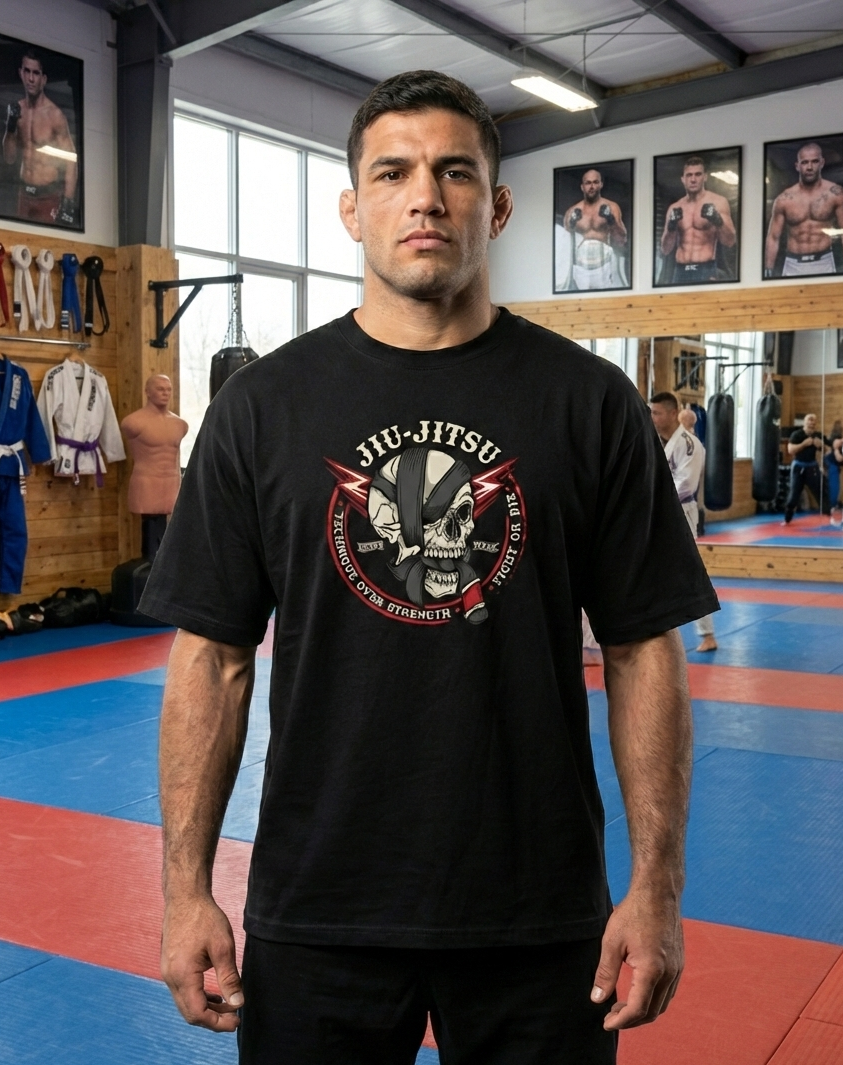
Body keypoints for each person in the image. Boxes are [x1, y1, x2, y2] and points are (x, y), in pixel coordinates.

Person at [141, 70, 718, 1065]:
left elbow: (641, 651)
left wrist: (657, 889)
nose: (425, 197)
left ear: (497, 206)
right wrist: (183, 890)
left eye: (455, 172)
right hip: (319, 902)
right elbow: (212, 659)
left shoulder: (589, 405)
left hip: (538, 909)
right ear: (351, 209)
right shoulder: (262, 411)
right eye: (393, 172)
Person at [649, 393, 717, 652]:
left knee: (689, 572)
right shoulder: (654, 441)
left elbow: (686, 484)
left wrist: (655, 501)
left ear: (673, 413)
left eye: (657, 413)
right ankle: (654, 630)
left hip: (680, 512)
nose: (653, 418)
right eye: (651, 412)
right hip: (657, 510)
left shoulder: (689, 444)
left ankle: (707, 634)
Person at [2, 48, 78, 227]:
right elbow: (9, 158)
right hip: (24, 194)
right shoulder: (17, 111)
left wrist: (68, 202)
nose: (31, 78)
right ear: (21, 73)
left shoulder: (55, 115)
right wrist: (10, 127)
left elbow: (71, 160)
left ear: (43, 79)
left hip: (48, 196)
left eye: (36, 73)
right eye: (27, 71)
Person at [120, 374, 188, 559]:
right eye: (160, 389)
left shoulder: (180, 424)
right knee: (150, 537)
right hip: (147, 484)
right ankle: (149, 566)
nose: (165, 393)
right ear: (148, 392)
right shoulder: (133, 423)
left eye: (168, 389)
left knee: (167, 539)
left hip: (171, 483)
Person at [765, 143, 843, 278]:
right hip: (793, 264)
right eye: (804, 162)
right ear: (797, 166)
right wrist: (768, 268)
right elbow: (773, 237)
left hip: (824, 262)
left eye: (814, 161)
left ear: (822, 163)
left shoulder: (835, 193)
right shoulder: (784, 199)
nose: (809, 167)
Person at [660, 156, 736, 284]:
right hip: (680, 271)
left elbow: (730, 241)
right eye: (689, 175)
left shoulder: (719, 202)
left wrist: (717, 220)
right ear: (683, 179)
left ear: (705, 177)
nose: (693, 179)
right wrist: (671, 227)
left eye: (698, 174)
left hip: (705, 269)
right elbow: (665, 249)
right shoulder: (675, 207)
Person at [562, 169, 628, 290]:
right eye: (588, 183)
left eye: (595, 182)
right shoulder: (572, 212)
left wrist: (611, 220)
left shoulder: (611, 207)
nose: (591, 186)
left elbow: (621, 240)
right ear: (582, 187)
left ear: (601, 184)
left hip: (605, 266)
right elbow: (564, 246)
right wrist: (572, 224)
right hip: (581, 268)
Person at [783, 413, 828, 523]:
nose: (811, 423)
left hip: (812, 467)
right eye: (809, 421)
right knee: (794, 494)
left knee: (821, 492)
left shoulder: (818, 435)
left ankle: (828, 516)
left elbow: (827, 450)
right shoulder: (797, 434)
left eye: (813, 422)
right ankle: (787, 518)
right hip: (798, 467)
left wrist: (821, 445)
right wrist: (804, 444)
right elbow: (790, 450)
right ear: (804, 422)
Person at [825, 419, 843, 520]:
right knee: (834, 486)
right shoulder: (836, 438)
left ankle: (832, 504)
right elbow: (835, 447)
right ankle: (832, 505)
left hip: (832, 463)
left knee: (833, 485)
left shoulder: (834, 437)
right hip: (832, 463)